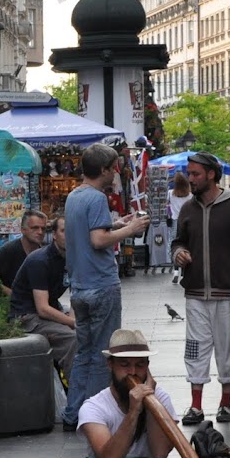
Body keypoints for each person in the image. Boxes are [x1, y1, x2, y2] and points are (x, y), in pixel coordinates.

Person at [46, 329, 196, 458]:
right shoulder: (94, 406)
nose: (132, 372)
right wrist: (134, 411)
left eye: (140, 365)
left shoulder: (160, 397)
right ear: (111, 365)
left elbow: (160, 452)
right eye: (124, 365)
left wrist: (151, 405)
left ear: (148, 368)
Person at [60, 143, 150, 431]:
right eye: (113, 168)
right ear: (103, 170)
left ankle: (73, 413)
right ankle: (95, 418)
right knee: (103, 357)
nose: (116, 174)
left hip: (79, 289)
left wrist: (116, 224)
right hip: (100, 286)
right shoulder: (98, 198)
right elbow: (98, 241)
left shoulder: (74, 196)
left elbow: (90, 234)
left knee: (84, 354)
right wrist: (130, 229)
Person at [171, 151, 230, 425]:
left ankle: (225, 404)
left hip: (228, 294)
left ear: (211, 174)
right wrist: (179, 252)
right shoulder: (187, 208)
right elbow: (178, 241)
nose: (191, 179)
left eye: (196, 174)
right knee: (195, 348)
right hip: (195, 293)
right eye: (190, 173)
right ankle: (196, 406)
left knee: (228, 350)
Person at [8, 214, 75, 378]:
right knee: (74, 338)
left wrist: (74, 319)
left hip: (47, 313)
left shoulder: (73, 259)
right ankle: (76, 391)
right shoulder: (40, 260)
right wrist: (73, 323)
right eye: (64, 231)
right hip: (26, 317)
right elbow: (43, 309)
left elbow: (76, 297)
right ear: (54, 235)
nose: (69, 236)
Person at [0, 210, 48, 294]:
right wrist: (13, 295)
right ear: (23, 230)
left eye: (43, 229)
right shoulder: (8, 251)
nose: (40, 232)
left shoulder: (45, 254)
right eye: (35, 228)